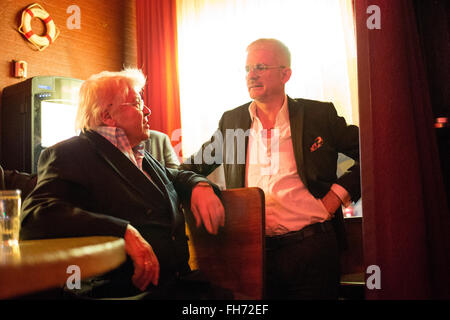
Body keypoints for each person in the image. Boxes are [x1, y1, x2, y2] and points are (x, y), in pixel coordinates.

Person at [20, 68, 229, 299]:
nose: (148, 111)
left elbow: (175, 176)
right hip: (123, 292)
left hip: (177, 283)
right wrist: (122, 231)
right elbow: (35, 216)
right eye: (137, 103)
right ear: (107, 116)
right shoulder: (69, 153)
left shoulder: (140, 154)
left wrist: (200, 186)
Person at [180, 38, 361, 299]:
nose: (251, 75)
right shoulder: (232, 122)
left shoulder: (318, 115)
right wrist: (199, 185)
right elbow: (188, 168)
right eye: (247, 69)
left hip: (311, 248)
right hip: (252, 254)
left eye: (261, 67)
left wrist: (336, 196)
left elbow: (371, 151)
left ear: (285, 74)